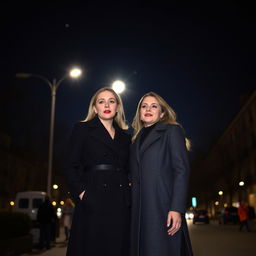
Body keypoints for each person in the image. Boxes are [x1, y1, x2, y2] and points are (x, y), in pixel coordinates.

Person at [63, 87, 131, 256]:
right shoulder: (82, 129)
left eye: (112, 101)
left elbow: (131, 168)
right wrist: (82, 193)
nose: (107, 104)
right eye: (101, 101)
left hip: (120, 200)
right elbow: (69, 165)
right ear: (95, 108)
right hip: (93, 197)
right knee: (93, 247)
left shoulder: (126, 138)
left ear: (117, 108)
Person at [130, 92, 193, 256]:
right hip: (139, 211)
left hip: (163, 208)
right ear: (139, 113)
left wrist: (176, 208)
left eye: (154, 106)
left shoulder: (172, 131)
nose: (148, 109)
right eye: (144, 106)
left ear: (162, 113)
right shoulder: (135, 140)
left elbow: (181, 170)